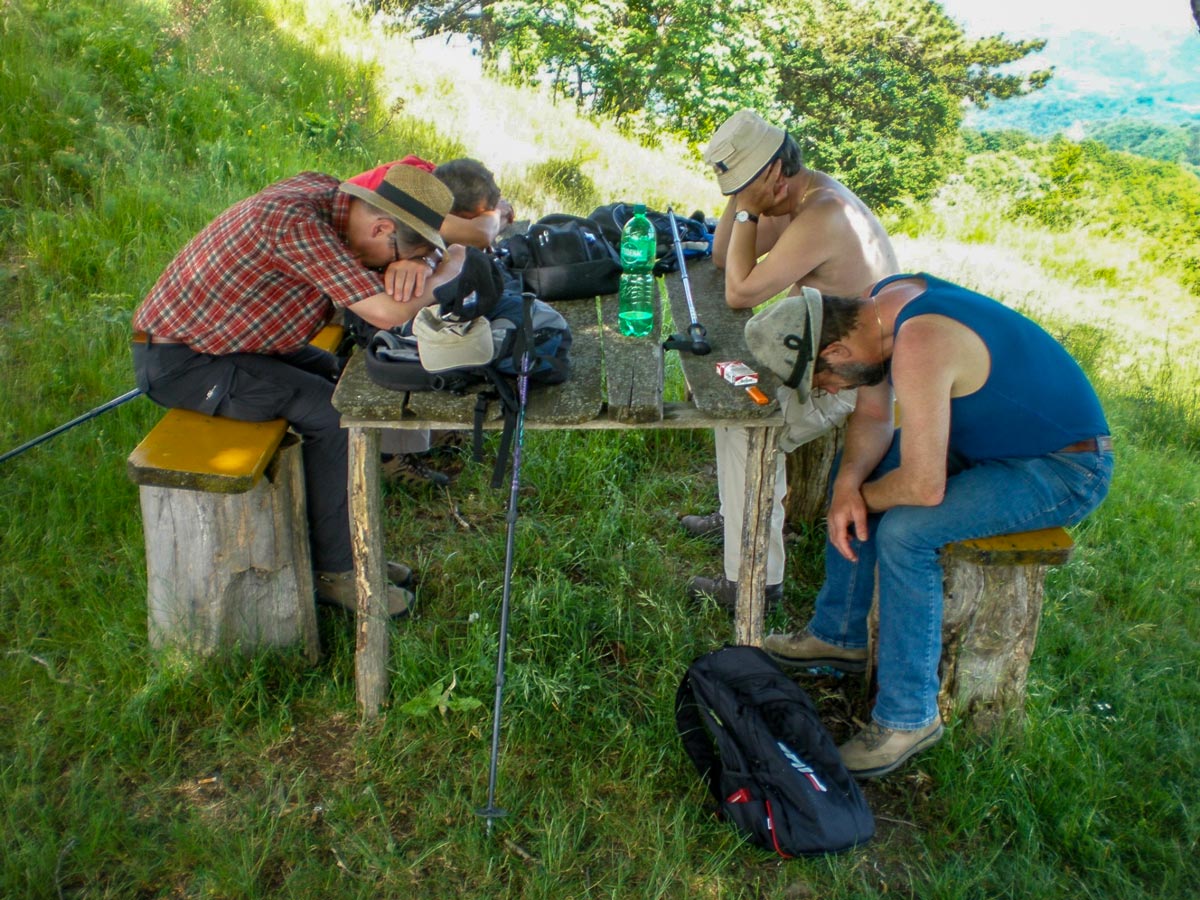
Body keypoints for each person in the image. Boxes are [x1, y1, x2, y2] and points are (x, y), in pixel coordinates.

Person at [748, 275, 1113, 777]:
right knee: (858, 472)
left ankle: (908, 718)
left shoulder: (920, 340)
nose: (829, 390)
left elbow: (923, 488)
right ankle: (840, 634)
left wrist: (854, 504)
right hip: (988, 444)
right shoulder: (882, 309)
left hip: (1061, 468)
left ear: (835, 347)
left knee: (906, 533)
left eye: (822, 380)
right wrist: (849, 487)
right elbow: (874, 419)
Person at [132, 164, 467, 617]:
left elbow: (401, 272)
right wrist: (450, 270)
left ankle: (348, 547)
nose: (387, 267)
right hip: (184, 362)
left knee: (342, 377)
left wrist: (420, 260)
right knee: (332, 417)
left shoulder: (328, 197)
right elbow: (388, 314)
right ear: (381, 225)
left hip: (234, 346)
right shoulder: (294, 223)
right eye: (390, 254)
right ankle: (336, 572)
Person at [684, 109, 898, 610]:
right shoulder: (798, 197)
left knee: (745, 422)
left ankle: (756, 581)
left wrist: (751, 210)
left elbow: (739, 291)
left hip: (845, 380)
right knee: (727, 390)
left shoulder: (823, 213)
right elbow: (722, 256)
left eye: (747, 184)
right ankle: (734, 517)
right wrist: (744, 202)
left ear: (777, 173)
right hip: (812, 359)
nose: (740, 198)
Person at [342, 157, 512, 487]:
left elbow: (445, 241)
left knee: (426, 288)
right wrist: (494, 216)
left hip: (369, 262)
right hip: (343, 286)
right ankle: (391, 454)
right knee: (412, 305)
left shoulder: (431, 188)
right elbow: (478, 236)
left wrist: (424, 257)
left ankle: (427, 431)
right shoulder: (408, 198)